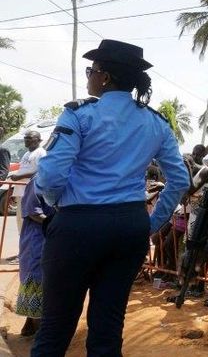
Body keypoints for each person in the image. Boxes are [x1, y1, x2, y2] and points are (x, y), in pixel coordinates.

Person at [32, 39, 190, 356]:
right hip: (130, 228)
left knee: (55, 327)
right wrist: (151, 223)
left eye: (92, 69)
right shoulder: (156, 122)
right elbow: (180, 179)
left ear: (104, 76)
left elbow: (49, 176)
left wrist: (55, 204)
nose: (89, 75)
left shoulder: (79, 114)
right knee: (107, 328)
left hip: (77, 227)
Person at [15, 177, 54, 337]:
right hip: (37, 239)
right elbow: (33, 211)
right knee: (37, 279)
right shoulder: (39, 181)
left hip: (50, 238)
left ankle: (31, 327)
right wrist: (56, 224)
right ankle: (40, 334)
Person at [8, 131, 46, 231]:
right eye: (25, 138)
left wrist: (19, 177)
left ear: (38, 140)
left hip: (30, 192)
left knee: (28, 219)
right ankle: (23, 243)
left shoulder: (41, 153)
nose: (26, 140)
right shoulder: (27, 153)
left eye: (29, 138)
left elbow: (39, 170)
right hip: (21, 191)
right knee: (20, 220)